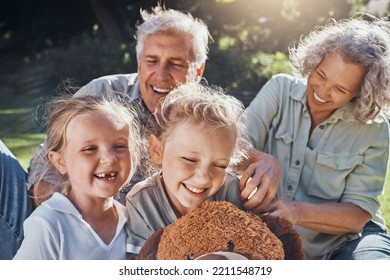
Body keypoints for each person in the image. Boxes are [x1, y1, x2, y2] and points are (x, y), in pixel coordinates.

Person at [1, 5, 279, 259]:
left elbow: (221, 160)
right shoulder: (103, 95)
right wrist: (73, 230)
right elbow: (45, 171)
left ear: (198, 70)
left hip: (135, 246)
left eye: (177, 63)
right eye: (151, 60)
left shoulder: (206, 119)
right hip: (64, 233)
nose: (161, 74)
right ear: (138, 62)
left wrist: (265, 161)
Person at [244, 17, 390, 259]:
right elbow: (232, 143)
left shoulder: (374, 129)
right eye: (320, 75)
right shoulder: (279, 89)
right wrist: (262, 158)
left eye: (340, 89)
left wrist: (297, 212)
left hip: (347, 242)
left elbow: (358, 215)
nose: (322, 92)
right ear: (314, 60)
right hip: (271, 240)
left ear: (360, 93)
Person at [126, 82, 250, 257]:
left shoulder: (231, 191)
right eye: (189, 160)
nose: (203, 178)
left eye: (220, 165)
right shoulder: (142, 201)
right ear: (157, 150)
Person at [13, 94, 141, 259]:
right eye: (90, 149)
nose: (109, 158)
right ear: (60, 162)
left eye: (119, 146)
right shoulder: (49, 225)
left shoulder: (135, 223)